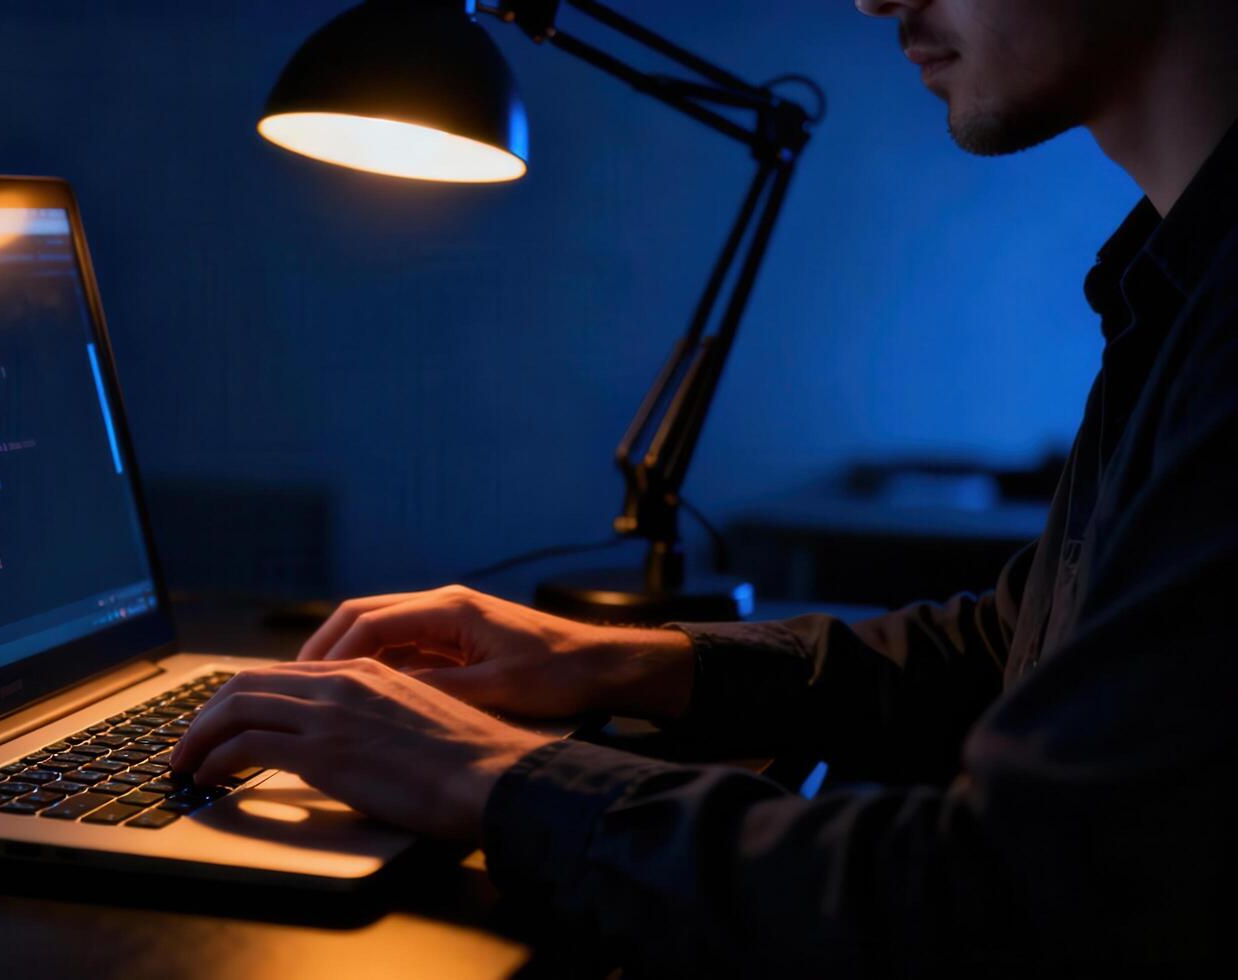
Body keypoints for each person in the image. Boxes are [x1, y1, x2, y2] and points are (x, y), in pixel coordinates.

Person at [170, 0, 1238, 970]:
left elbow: (997, 894)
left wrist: (491, 777)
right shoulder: (1174, 287)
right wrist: (612, 660)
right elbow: (1008, 646)